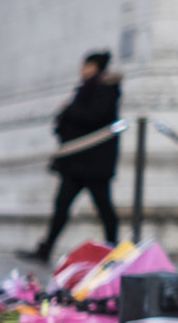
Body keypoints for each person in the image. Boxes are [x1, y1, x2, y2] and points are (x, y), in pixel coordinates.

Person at [33, 51, 122, 262]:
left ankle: (113, 250)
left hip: (94, 164)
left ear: (94, 67)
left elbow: (94, 117)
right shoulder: (86, 89)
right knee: (62, 205)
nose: (81, 70)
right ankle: (46, 247)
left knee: (104, 208)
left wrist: (70, 110)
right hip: (76, 163)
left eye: (85, 66)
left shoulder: (105, 90)